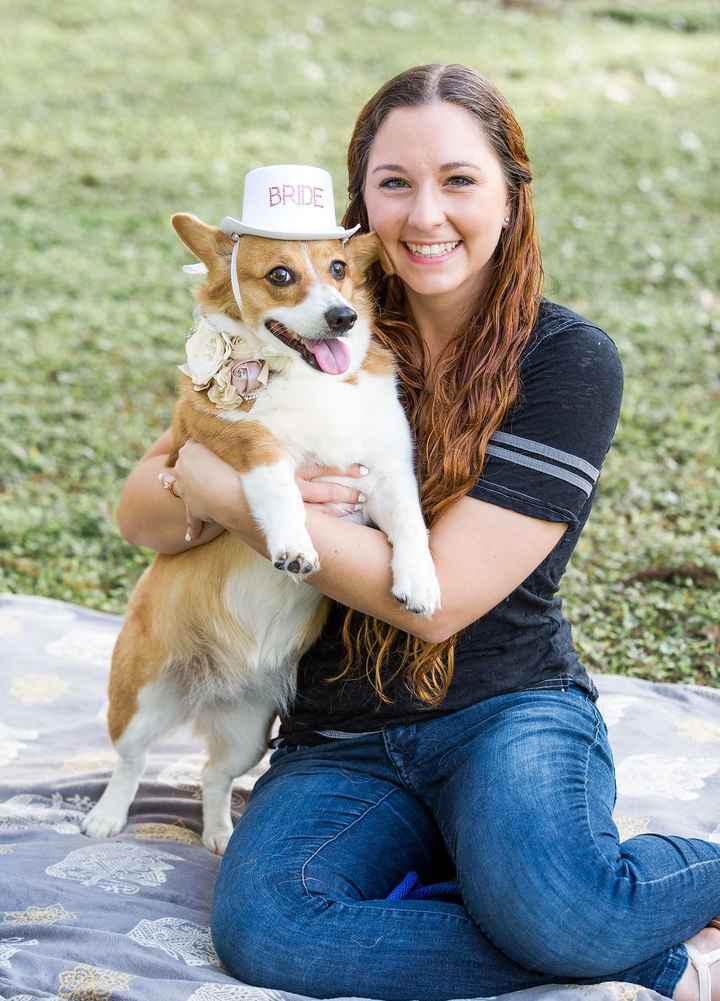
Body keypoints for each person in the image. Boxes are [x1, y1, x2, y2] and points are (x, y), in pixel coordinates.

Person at [117, 64, 720, 1001]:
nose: (425, 214)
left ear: (513, 198)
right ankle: (633, 950)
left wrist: (233, 495)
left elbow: (437, 603)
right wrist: (193, 477)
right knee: (270, 929)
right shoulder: (309, 314)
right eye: (394, 183)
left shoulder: (566, 360)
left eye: (460, 180)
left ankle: (600, 914)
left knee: (563, 902)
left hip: (505, 709)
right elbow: (139, 510)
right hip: (339, 736)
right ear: (358, 205)